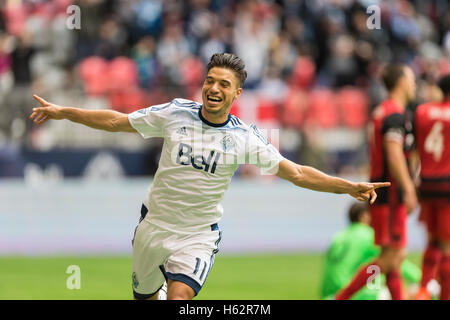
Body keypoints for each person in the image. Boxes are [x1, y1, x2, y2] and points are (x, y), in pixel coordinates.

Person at [30, 53, 389, 300]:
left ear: (237, 93)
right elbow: (116, 120)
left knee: (181, 295)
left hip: (198, 235)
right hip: (153, 226)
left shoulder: (245, 137)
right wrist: (64, 112)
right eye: (210, 80)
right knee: (143, 295)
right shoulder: (174, 113)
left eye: (223, 84)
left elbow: (295, 172)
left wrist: (347, 186)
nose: (214, 88)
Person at [336, 64, 418, 300]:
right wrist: (409, 188)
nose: (414, 84)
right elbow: (394, 155)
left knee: (393, 256)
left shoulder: (382, 111)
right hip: (391, 194)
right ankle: (341, 298)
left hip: (383, 192)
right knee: (392, 257)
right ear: (401, 81)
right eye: (411, 79)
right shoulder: (394, 114)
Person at [321, 202, 421, 300]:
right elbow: (393, 261)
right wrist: (422, 279)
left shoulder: (338, 237)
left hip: (328, 294)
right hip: (357, 295)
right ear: (363, 216)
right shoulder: (368, 235)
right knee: (413, 293)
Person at [414, 75, 450, 300]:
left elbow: (416, 147)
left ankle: (424, 290)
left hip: (426, 184)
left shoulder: (422, 111)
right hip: (447, 185)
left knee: (432, 240)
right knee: (447, 247)